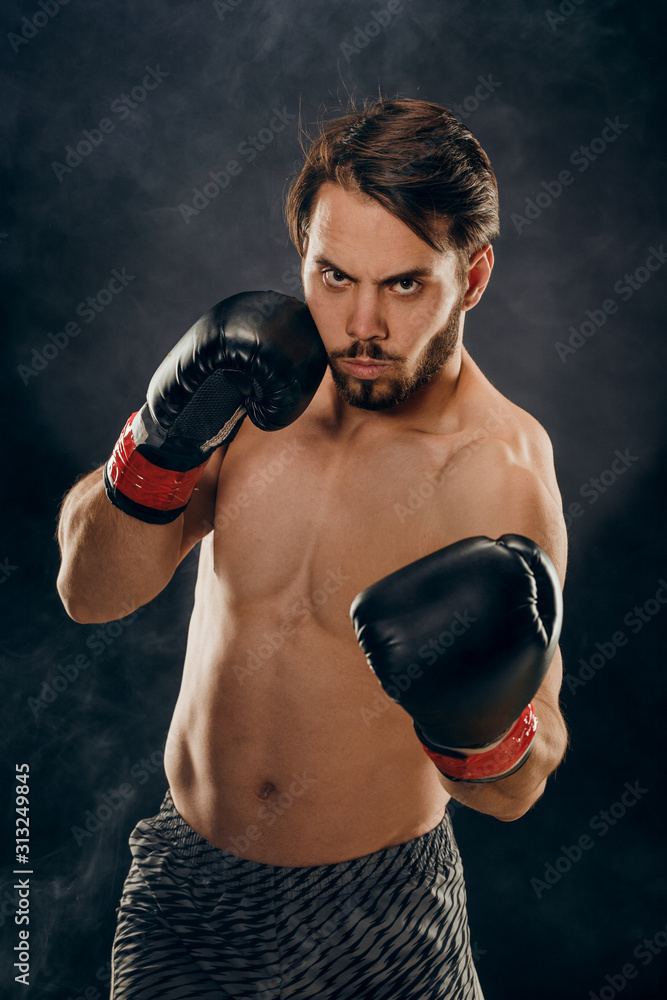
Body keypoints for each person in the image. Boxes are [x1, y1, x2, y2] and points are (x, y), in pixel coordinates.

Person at [56, 98, 568, 999]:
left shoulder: (497, 471)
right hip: (188, 891)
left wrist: (480, 724)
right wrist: (159, 448)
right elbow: (90, 595)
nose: (360, 325)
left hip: (378, 919)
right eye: (333, 277)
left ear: (473, 275)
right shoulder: (251, 386)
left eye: (404, 285)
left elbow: (519, 784)